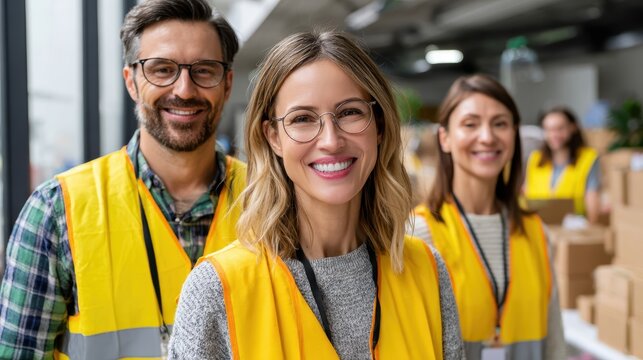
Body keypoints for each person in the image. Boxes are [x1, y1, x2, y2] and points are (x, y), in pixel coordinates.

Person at [168, 30, 465, 359]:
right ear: (273, 137)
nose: (330, 140)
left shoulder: (426, 271)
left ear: (379, 124)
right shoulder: (218, 290)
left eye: (350, 112)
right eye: (303, 119)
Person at [0, 0, 246, 358]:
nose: (184, 89)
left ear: (226, 84)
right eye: (162, 69)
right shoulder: (56, 211)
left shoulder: (274, 197)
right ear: (131, 81)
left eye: (204, 70)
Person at [410, 74, 565, 360]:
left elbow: (554, 343)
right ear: (444, 138)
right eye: (470, 124)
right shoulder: (421, 235)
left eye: (500, 124)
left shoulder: (535, 232)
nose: (487, 136)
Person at [524, 106, 601, 223]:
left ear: (572, 127)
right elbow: (526, 192)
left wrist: (590, 230)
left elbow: (592, 201)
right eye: (548, 129)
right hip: (538, 227)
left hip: (573, 229)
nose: (554, 135)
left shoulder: (588, 158)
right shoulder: (535, 158)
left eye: (560, 128)